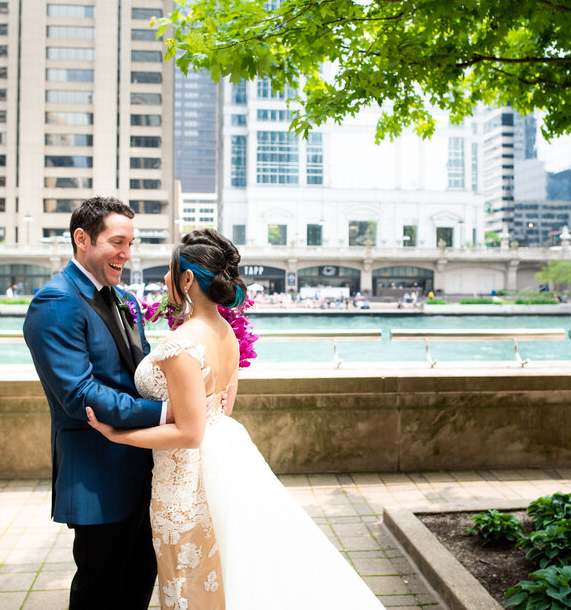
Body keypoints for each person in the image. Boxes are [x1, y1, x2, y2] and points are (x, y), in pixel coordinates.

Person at [85, 229, 385, 610]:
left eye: (170, 271)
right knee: (216, 576)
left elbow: (190, 433)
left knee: (186, 581)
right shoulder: (228, 333)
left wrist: (118, 435)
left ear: (188, 280)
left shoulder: (180, 344)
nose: (164, 279)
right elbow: (222, 410)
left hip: (184, 480)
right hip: (220, 461)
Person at [23, 196, 165, 609]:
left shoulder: (126, 300)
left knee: (138, 585)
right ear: (81, 239)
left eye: (131, 244)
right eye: (117, 242)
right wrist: (169, 413)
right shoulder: (56, 301)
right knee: (99, 593)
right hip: (98, 476)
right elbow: (79, 395)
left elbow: (144, 375)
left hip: (146, 470)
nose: (126, 254)